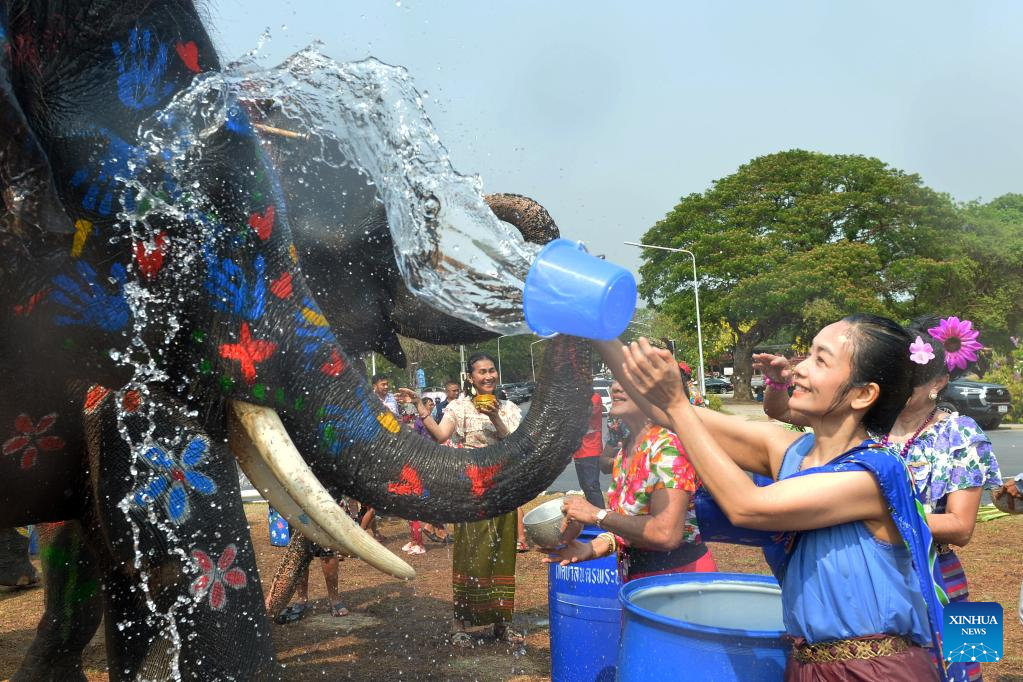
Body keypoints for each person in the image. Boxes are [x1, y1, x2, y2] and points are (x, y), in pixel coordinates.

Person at [604, 315, 952, 680]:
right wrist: (597, 329)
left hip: (875, 672)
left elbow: (747, 507)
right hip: (806, 666)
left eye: (821, 360)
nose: (799, 369)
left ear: (863, 393)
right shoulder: (790, 450)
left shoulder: (869, 475)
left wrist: (677, 403)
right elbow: (660, 410)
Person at [758, 315, 1001, 682]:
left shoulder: (961, 433)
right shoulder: (865, 421)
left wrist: (867, 514)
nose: (898, 389)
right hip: (865, 573)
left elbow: (962, 527)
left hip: (936, 572)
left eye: (910, 384)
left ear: (938, 383)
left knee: (963, 668)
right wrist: (778, 381)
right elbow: (780, 411)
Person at [399, 353, 524, 648]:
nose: (488, 376)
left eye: (492, 370)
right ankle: (460, 623)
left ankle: (502, 623)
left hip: (502, 489)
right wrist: (420, 406)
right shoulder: (459, 407)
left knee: (502, 553)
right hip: (472, 490)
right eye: (481, 372)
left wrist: (494, 416)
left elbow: (515, 446)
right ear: (471, 378)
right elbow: (441, 436)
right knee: (469, 554)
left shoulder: (509, 408)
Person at [549, 381, 716, 581]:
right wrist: (591, 548)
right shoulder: (626, 451)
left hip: (679, 581)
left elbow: (666, 533)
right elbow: (631, 524)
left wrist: (597, 514)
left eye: (628, 380)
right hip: (640, 579)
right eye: (615, 379)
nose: (616, 387)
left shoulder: (667, 446)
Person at [572, 391, 606, 509]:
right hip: (578, 451)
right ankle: (593, 517)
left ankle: (600, 519)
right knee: (586, 487)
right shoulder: (578, 397)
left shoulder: (594, 397)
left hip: (591, 450)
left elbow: (584, 414)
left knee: (592, 487)